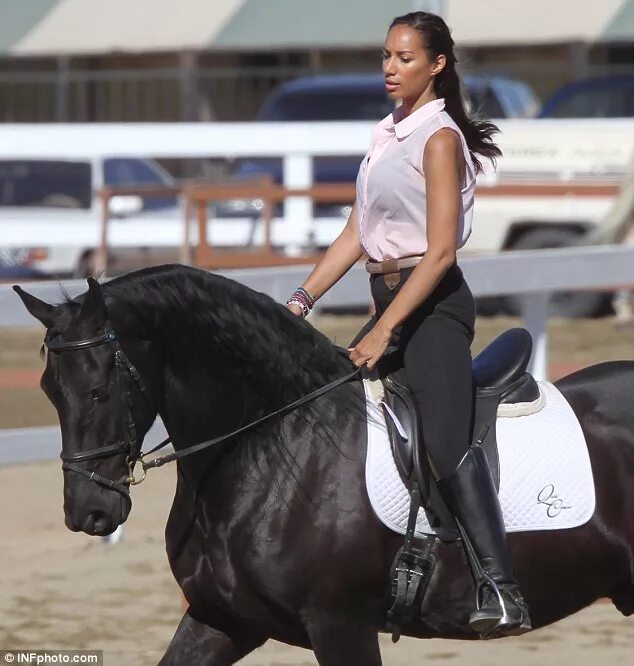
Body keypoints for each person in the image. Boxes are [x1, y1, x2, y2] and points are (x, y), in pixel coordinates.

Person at [286, 11, 531, 638]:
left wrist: (384, 330)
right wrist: (299, 302)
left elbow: (442, 251)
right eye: (386, 57)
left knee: (446, 443)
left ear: (437, 65)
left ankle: (502, 590)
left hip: (435, 309)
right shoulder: (387, 132)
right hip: (387, 298)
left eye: (405, 58)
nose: (391, 69)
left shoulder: (439, 139)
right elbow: (356, 234)